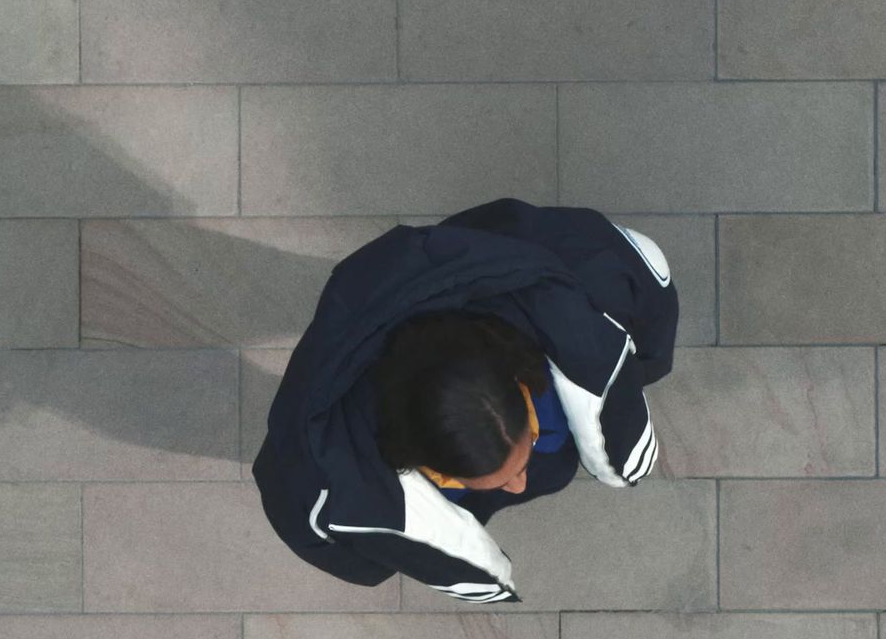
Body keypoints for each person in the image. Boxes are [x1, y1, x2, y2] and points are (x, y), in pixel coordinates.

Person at [251, 198, 678, 604]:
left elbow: (643, 285)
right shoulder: (318, 487)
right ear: (423, 464)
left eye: (529, 435)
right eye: (479, 481)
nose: (521, 486)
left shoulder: (596, 280)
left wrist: (633, 372)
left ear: (520, 382)